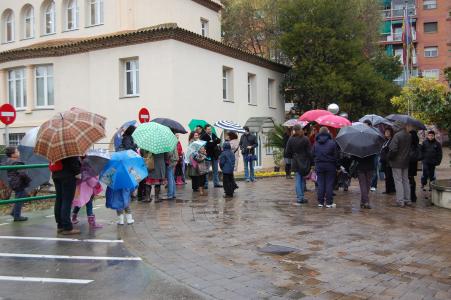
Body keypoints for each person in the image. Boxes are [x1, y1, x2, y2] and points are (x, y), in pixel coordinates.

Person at [51, 156, 81, 234]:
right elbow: (73, 163)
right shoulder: (70, 148)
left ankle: (60, 225)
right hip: (68, 176)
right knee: (67, 201)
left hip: (56, 175)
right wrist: (78, 172)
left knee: (59, 199)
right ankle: (67, 227)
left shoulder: (55, 148)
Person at [71, 159, 103, 228]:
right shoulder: (88, 171)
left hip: (80, 189)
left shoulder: (80, 168)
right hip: (87, 191)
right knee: (89, 205)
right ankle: (91, 222)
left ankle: (74, 217)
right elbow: (92, 182)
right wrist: (97, 184)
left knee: (79, 203)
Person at [312, 127, 338, 208]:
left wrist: (315, 162)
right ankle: (329, 203)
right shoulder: (332, 143)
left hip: (319, 166)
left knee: (320, 184)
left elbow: (312, 154)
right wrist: (337, 165)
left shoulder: (316, 143)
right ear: (328, 132)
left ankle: (320, 202)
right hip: (330, 166)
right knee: (329, 184)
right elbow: (336, 156)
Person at [285, 124, 312, 205]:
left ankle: (300, 197)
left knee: (298, 179)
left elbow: (287, 152)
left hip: (295, 161)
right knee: (301, 179)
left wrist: (293, 156)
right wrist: (312, 161)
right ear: (300, 130)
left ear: (294, 130)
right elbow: (309, 152)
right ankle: (301, 197)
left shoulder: (290, 139)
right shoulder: (305, 139)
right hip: (304, 161)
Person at [388, 123, 413, 207]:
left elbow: (393, 149)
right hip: (405, 161)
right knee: (405, 180)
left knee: (398, 181)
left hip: (396, 162)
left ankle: (400, 201)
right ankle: (407, 200)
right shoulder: (409, 135)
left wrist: (389, 157)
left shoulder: (397, 136)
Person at [5, 147, 30, 222]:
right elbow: (22, 173)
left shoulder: (9, 161)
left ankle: (14, 213)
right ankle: (17, 216)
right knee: (20, 198)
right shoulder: (17, 162)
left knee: (19, 197)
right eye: (17, 151)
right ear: (13, 155)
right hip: (19, 182)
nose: (19, 152)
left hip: (13, 182)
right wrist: (28, 180)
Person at [380, 128, 396, 194]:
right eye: (385, 132)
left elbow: (391, 150)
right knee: (387, 176)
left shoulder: (392, 140)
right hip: (384, 161)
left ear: (391, 133)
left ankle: (391, 189)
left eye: (388, 132)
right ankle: (388, 189)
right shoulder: (386, 141)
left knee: (389, 176)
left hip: (389, 161)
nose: (386, 133)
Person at [408, 130, 421, 202]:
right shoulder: (416, 142)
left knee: (409, 178)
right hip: (414, 163)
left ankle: (411, 195)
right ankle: (413, 195)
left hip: (409, 162)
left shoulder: (409, 143)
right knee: (411, 178)